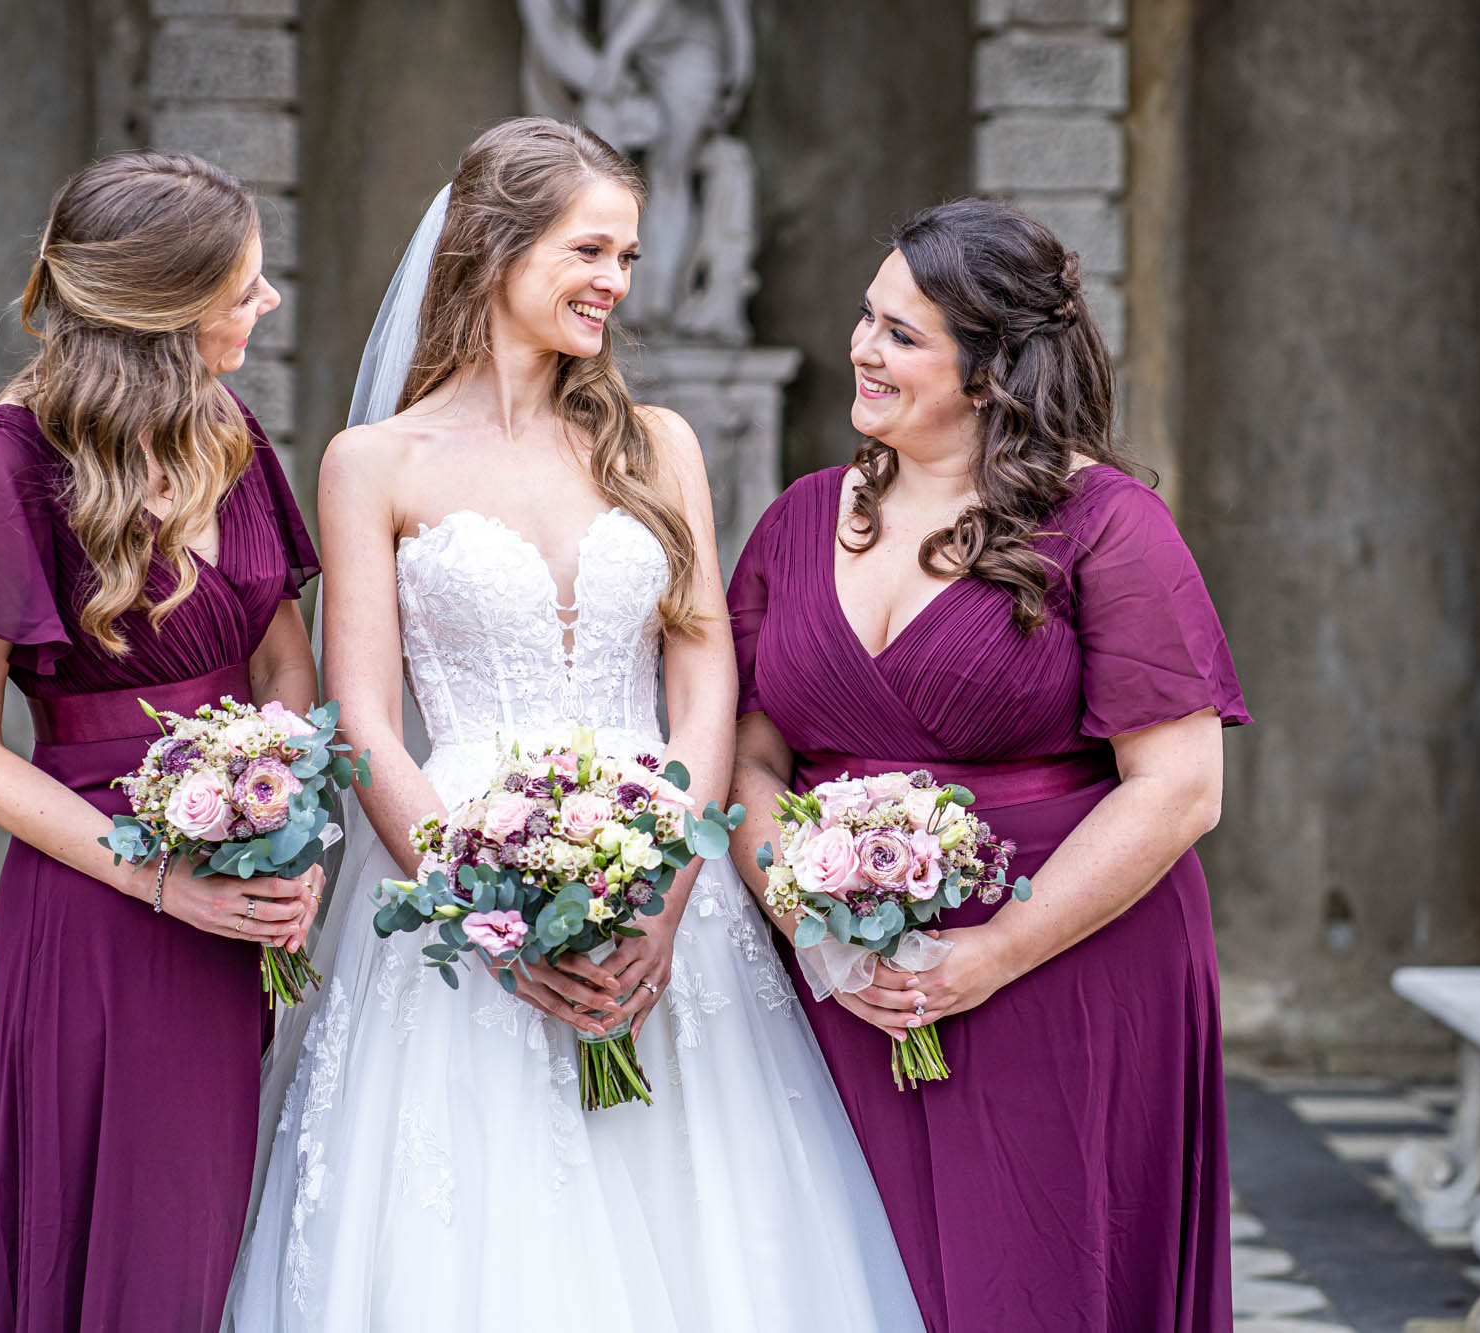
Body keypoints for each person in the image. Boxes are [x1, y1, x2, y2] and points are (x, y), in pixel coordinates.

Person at [226, 117, 920, 1333]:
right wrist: (483, 910)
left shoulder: (658, 446)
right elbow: (363, 716)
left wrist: (667, 892)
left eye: (627, 257)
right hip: (450, 874)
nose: (616, 281)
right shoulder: (371, 461)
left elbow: (704, 682)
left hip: (664, 868)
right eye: (588, 251)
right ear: (496, 246)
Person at [726, 197, 1247, 1333]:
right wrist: (811, 927)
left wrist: (992, 952)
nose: (862, 348)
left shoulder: (1106, 524)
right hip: (845, 985)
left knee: (1035, 1280)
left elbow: (1180, 787)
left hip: (1062, 969)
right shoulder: (796, 519)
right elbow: (748, 760)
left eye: (901, 334)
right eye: (866, 318)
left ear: (990, 369)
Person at [0, 151, 323, 1333]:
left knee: (232, 1239)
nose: (267, 301)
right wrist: (161, 879)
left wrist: (289, 825)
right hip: (97, 904)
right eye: (244, 286)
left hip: (245, 893)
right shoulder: (2, 465)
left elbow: (282, 664)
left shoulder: (229, 431)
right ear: (165, 308)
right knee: (133, 1251)